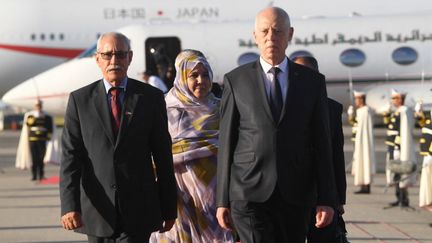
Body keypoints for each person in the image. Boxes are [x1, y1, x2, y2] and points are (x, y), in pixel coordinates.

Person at [216, 7, 337, 243]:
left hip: (296, 192)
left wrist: (327, 198)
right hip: (248, 191)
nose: (271, 37)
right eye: (264, 31)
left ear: (290, 34)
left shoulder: (312, 82)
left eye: (278, 31)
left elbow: (323, 143)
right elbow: (227, 142)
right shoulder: (236, 80)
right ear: (255, 36)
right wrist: (222, 199)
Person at [59, 32, 177, 242]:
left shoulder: (151, 98)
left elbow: (163, 157)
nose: (114, 61)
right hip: (96, 211)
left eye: (120, 55)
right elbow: (70, 158)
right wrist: (69, 206)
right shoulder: (80, 100)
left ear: (130, 58)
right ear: (97, 59)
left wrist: (168, 208)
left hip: (138, 210)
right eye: (107, 55)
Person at [150, 50, 234, 243]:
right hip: (178, 200)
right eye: (193, 75)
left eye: (205, 75)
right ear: (181, 77)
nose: (201, 80)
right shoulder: (164, 110)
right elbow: (153, 154)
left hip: (216, 201)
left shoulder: (222, 109)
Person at [293, 55, 348, 243]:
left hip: (321, 193)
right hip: (290, 192)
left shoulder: (331, 108)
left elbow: (336, 155)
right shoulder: (281, 106)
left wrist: (338, 197)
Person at [383, 89, 417, 208]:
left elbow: (403, 131)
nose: (393, 101)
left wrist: (399, 146)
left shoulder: (404, 111)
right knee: (395, 172)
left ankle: (404, 199)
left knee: (401, 172)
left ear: (400, 99)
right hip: (393, 146)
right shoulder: (397, 111)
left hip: (398, 147)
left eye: (394, 98)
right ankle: (398, 197)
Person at [15, 99, 58, 181]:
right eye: (37, 105)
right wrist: (35, 116)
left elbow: (49, 129)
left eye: (39, 105)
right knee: (34, 158)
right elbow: (28, 125)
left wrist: (48, 138)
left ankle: (41, 175)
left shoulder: (47, 117)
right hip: (33, 140)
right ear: (34, 106)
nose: (38, 107)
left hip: (42, 139)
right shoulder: (31, 116)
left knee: (41, 158)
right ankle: (34, 175)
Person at [348, 91, 376, 194]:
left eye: (357, 99)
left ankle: (366, 185)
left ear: (361, 99)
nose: (356, 101)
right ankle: (363, 185)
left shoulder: (365, 111)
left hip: (364, 143)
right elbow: (357, 125)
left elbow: (363, 128)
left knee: (365, 161)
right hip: (359, 142)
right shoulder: (360, 111)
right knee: (360, 162)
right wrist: (351, 116)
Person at [414, 103, 432, 219]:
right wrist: (418, 113)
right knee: (429, 188)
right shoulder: (429, 115)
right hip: (428, 156)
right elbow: (424, 124)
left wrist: (431, 154)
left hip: (431, 156)